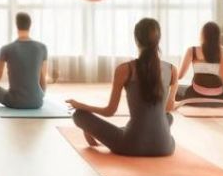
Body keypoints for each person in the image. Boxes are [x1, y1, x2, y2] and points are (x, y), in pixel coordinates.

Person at [66, 17, 178, 157]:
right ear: (158, 40)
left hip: (131, 145)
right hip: (165, 146)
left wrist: (81, 105)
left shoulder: (125, 69)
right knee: (167, 117)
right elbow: (168, 108)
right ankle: (150, 133)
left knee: (79, 115)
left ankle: (97, 131)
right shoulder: (172, 69)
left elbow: (109, 111)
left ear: (136, 41)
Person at [176, 22, 223, 106]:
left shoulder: (192, 51)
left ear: (202, 35)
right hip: (219, 96)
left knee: (177, 89)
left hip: (196, 93)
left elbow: (179, 76)